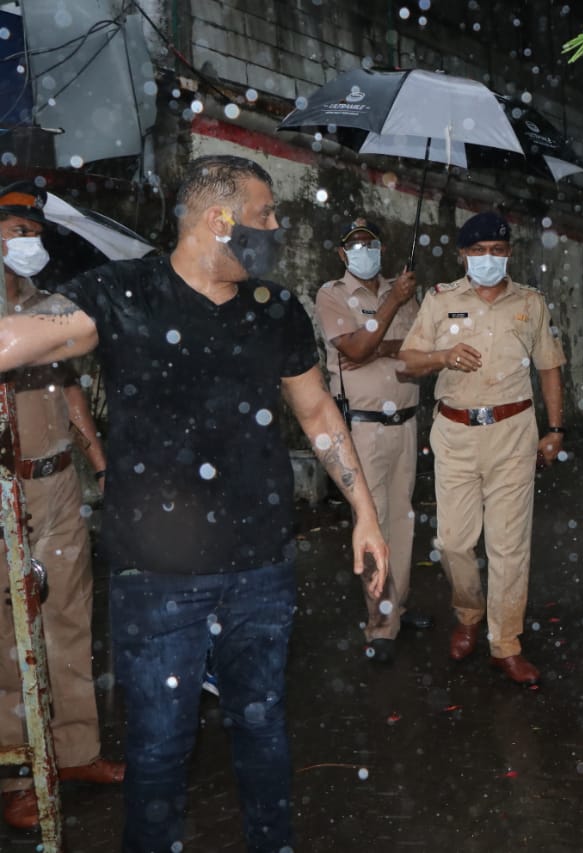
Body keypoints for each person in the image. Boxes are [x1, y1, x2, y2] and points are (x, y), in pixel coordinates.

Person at [0, 155, 389, 853]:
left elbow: (318, 410)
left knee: (263, 733)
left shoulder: (276, 309)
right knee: (156, 749)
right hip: (155, 576)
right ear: (221, 219)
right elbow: (19, 339)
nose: (275, 227)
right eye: (266, 215)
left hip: (261, 568)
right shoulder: (120, 293)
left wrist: (364, 510)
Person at [397, 211, 566, 686]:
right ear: (462, 255)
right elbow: (406, 363)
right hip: (455, 433)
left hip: (514, 432)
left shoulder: (530, 303)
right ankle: (469, 614)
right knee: (453, 542)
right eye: (478, 251)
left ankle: (505, 643)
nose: (488, 259)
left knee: (509, 546)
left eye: (497, 250)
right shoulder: (440, 300)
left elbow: (550, 366)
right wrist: (441, 356)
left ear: (509, 254)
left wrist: (556, 428)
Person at [0, 183, 123, 830]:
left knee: (70, 614)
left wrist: (100, 464)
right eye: (15, 229)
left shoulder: (52, 308)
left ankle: (76, 750)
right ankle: (22, 770)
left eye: (32, 231)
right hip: (3, 488)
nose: (27, 242)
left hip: (57, 482)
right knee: (7, 632)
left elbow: (71, 394)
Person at [314, 215, 430, 664]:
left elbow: (416, 353)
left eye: (371, 242)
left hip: (406, 423)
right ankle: (380, 624)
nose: (365, 250)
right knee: (373, 520)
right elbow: (357, 350)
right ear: (343, 254)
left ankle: (397, 607)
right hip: (362, 428)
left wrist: (382, 333)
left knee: (402, 520)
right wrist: (385, 322)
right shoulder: (334, 294)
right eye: (356, 244)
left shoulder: (401, 292)